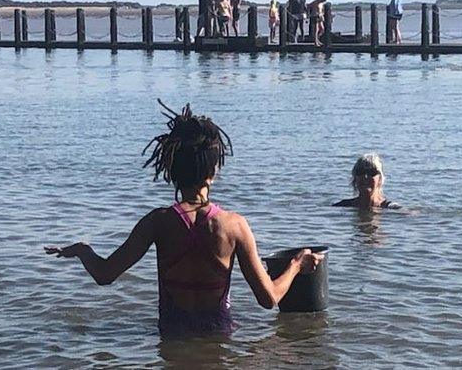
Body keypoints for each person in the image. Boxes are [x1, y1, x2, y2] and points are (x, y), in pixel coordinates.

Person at [45, 102, 323, 337]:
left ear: (172, 171)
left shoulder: (157, 222)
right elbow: (269, 299)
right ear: (213, 171)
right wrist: (296, 265)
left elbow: (105, 275)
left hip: (171, 335)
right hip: (218, 338)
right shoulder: (233, 226)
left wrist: (83, 250)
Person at [333, 154, 401, 209]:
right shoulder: (342, 206)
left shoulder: (391, 208)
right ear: (355, 178)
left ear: (380, 178)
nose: (365, 176)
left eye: (371, 172)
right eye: (360, 172)